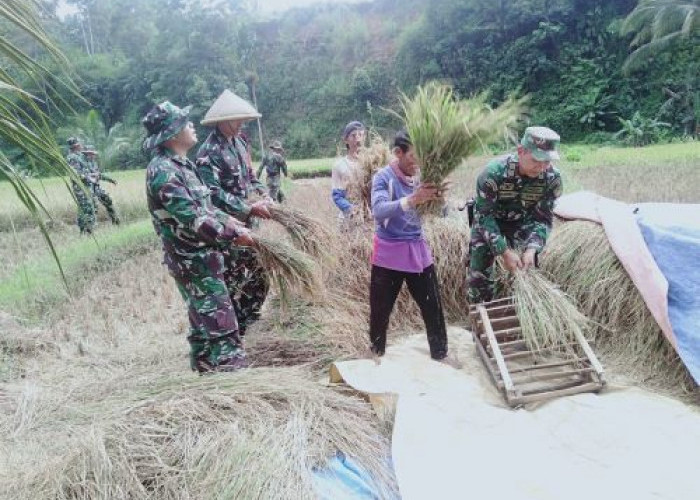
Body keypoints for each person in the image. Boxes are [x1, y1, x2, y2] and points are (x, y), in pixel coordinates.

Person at [144, 101, 254, 373]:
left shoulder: (182, 165)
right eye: (185, 123)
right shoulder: (164, 173)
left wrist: (230, 221)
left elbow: (206, 207)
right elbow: (195, 220)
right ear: (171, 135)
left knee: (203, 329)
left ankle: (204, 380)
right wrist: (234, 235)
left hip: (204, 259)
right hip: (192, 262)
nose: (192, 126)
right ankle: (237, 387)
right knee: (223, 332)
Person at [196, 89, 271, 341]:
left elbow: (251, 177)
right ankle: (232, 329)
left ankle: (248, 317)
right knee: (231, 279)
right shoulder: (208, 153)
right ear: (223, 121)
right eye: (236, 120)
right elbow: (212, 195)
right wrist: (248, 207)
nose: (241, 124)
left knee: (261, 272)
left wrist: (262, 194)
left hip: (251, 223)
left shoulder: (240, 143)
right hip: (228, 228)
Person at [369, 130, 448, 360]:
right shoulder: (383, 177)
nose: (418, 162)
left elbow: (440, 212)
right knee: (380, 311)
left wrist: (439, 198)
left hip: (417, 250)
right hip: (389, 253)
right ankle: (376, 354)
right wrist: (413, 199)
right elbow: (378, 210)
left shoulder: (422, 177)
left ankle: (440, 353)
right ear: (398, 153)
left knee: (433, 305)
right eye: (413, 156)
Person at [467, 126, 563, 304]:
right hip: (490, 222)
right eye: (536, 160)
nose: (542, 167)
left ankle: (523, 309)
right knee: (479, 274)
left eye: (547, 162)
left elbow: (543, 219)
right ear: (521, 151)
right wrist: (503, 251)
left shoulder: (552, 179)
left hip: (523, 223)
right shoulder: (493, 173)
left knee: (529, 267)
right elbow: (484, 217)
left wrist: (532, 248)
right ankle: (481, 311)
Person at [331, 121, 365, 223]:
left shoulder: (371, 163)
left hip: (369, 216)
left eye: (361, 135)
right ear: (346, 139)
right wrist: (352, 210)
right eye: (353, 136)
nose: (358, 139)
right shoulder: (339, 165)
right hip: (349, 219)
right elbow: (337, 196)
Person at [82, 145, 120, 225]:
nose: (92, 155)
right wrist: (92, 175)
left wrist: (111, 180)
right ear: (86, 154)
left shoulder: (94, 163)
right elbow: (84, 175)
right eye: (89, 154)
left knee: (107, 200)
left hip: (96, 187)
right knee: (93, 207)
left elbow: (99, 175)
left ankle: (115, 220)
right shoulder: (82, 163)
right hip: (88, 188)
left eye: (92, 154)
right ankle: (90, 227)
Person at [66, 137, 96, 235]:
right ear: (77, 145)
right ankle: (88, 230)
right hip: (80, 187)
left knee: (84, 207)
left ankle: (85, 230)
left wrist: (90, 175)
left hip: (84, 185)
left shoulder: (78, 156)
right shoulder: (72, 158)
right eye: (79, 144)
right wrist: (89, 178)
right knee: (87, 208)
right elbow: (77, 174)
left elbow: (83, 171)